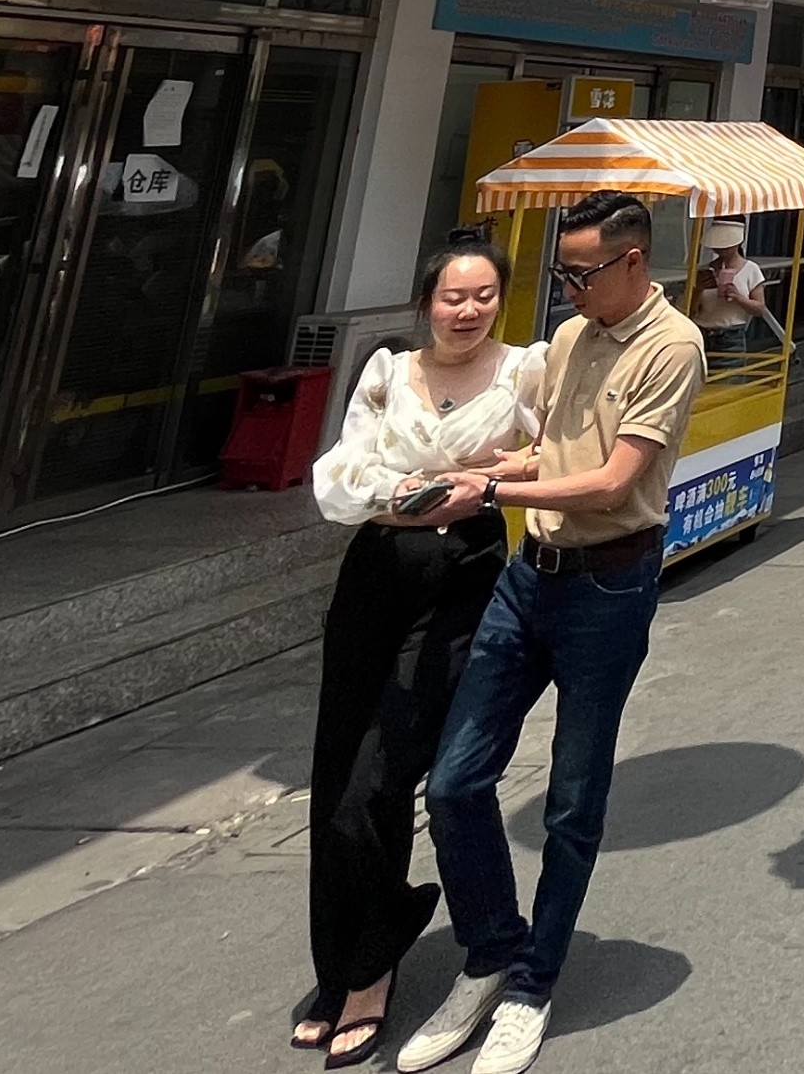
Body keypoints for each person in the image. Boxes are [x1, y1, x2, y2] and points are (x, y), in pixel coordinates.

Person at [402, 195, 703, 1074]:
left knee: (573, 800)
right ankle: (491, 948)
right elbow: (562, 450)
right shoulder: (569, 340)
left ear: (634, 264)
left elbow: (613, 482)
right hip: (529, 577)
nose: (566, 289)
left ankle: (534, 982)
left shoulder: (671, 346)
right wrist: (499, 465)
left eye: (582, 273)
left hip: (610, 585)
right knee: (455, 782)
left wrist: (491, 496)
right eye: (562, 272)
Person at [296, 241, 539, 1067]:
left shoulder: (526, 370)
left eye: (481, 296)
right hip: (371, 579)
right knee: (336, 779)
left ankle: (371, 972)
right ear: (423, 301)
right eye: (450, 297)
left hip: (461, 579)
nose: (465, 311)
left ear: (500, 301)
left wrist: (488, 479)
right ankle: (341, 964)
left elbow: (554, 457)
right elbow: (341, 475)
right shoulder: (386, 372)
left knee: (383, 775)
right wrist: (418, 487)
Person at [687, 220, 772, 365]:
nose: (722, 250)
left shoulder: (751, 270)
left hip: (730, 338)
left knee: (729, 382)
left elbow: (759, 308)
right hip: (700, 334)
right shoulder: (704, 271)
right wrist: (698, 289)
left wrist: (738, 297)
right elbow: (690, 310)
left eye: (726, 246)